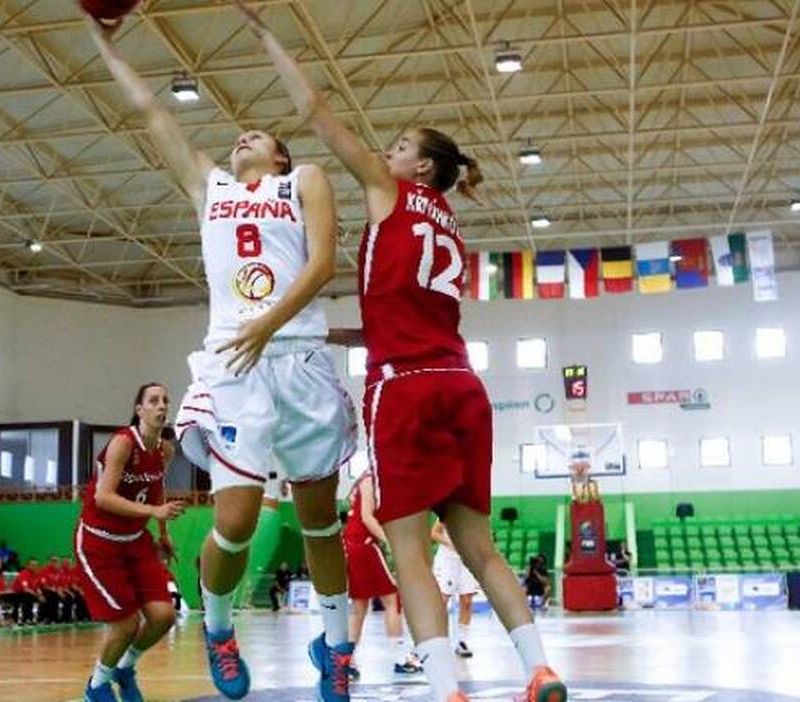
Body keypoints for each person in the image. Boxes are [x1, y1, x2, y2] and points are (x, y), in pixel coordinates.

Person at [236, 5, 567, 700]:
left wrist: (265, 32)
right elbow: (412, 314)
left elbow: (317, 111)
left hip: (405, 388)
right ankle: (540, 668)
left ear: (421, 166)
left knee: (410, 553)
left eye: (397, 147)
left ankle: (446, 687)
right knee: (481, 549)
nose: (385, 154)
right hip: (461, 384)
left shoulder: (390, 193)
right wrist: (338, 335)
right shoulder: (449, 223)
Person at [86, 17, 358, 702]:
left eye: (258, 136)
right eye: (239, 136)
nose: (243, 138)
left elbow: (324, 263)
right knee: (234, 523)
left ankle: (336, 648)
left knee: (320, 522)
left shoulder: (305, 182)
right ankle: (218, 629)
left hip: (297, 358)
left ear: (281, 158)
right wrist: (106, 45)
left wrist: (269, 323)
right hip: (236, 366)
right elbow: (152, 112)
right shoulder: (211, 189)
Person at [76, 383, 185, 702]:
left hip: (136, 541)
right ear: (139, 410)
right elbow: (104, 497)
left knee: (163, 617)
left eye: (165, 401)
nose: (162, 406)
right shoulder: (123, 443)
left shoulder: (165, 450)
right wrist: (153, 512)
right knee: (126, 625)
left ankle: (124, 669)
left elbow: (156, 490)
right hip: (100, 542)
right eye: (154, 401)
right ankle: (97, 686)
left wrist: (163, 533)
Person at [343, 472, 421, 677]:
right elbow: (367, 517)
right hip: (364, 544)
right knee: (392, 600)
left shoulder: (368, 481)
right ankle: (399, 658)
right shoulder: (370, 480)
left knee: (359, 607)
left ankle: (347, 660)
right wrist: (390, 542)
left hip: (353, 544)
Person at [430, 520, 479, 659]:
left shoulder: (476, 513)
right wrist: (452, 544)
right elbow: (434, 533)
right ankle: (435, 640)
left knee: (467, 601)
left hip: (467, 559)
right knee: (442, 601)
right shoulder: (448, 510)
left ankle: (461, 642)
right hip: (447, 560)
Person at [11, 558, 43, 625]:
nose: (34, 567)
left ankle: (42, 618)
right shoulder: (23, 574)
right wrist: (37, 596)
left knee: (47, 597)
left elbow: (37, 587)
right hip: (17, 594)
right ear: (27, 566)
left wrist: (41, 595)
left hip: (29, 593)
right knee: (28, 596)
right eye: (32, 565)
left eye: (35, 565)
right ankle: (26, 618)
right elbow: (26, 589)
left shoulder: (36, 575)